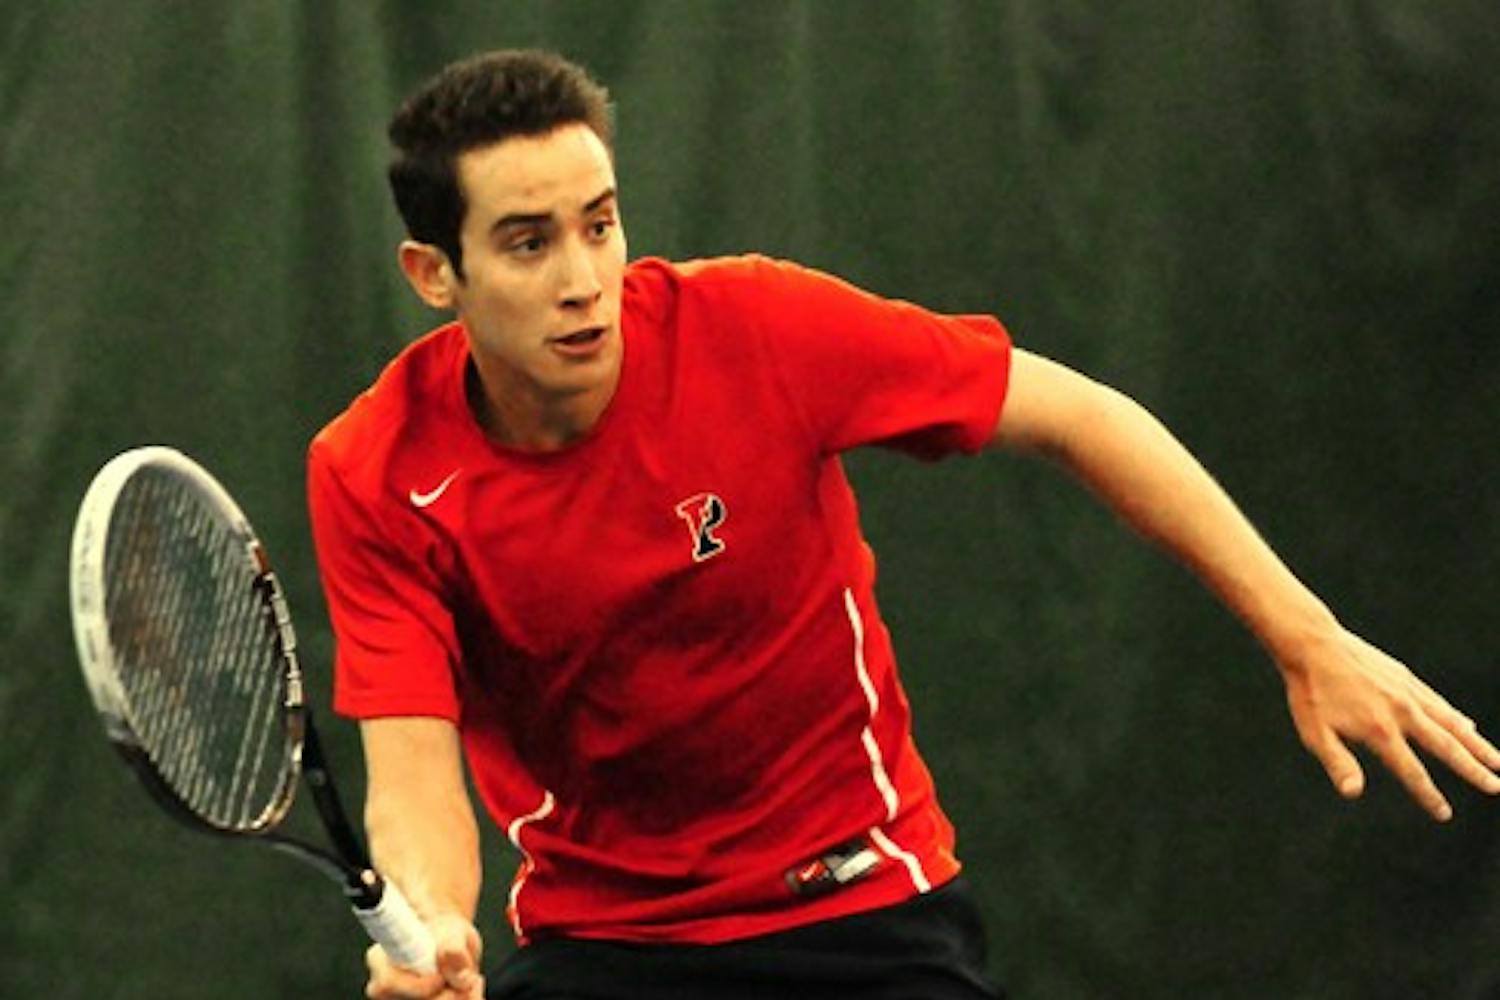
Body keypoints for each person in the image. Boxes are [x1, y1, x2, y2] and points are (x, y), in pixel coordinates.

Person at [305, 49, 1500, 1000]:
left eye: (600, 221)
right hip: (603, 936)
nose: (584, 276)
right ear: (433, 273)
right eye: (528, 242)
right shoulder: (373, 471)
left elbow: (1081, 415)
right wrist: (437, 925)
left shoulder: (761, 331)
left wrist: (1306, 636)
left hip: (857, 904)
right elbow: (412, 771)